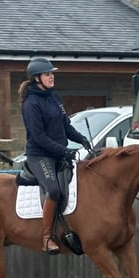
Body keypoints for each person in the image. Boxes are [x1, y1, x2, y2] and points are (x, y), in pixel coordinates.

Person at [19, 57, 93, 254]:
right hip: (40, 156)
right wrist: (64, 150)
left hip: (58, 154)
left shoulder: (55, 98)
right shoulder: (30, 104)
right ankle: (46, 237)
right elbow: (39, 137)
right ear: (37, 78)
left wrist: (82, 139)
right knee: (53, 190)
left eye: (52, 74)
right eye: (47, 74)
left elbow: (66, 127)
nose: (52, 77)